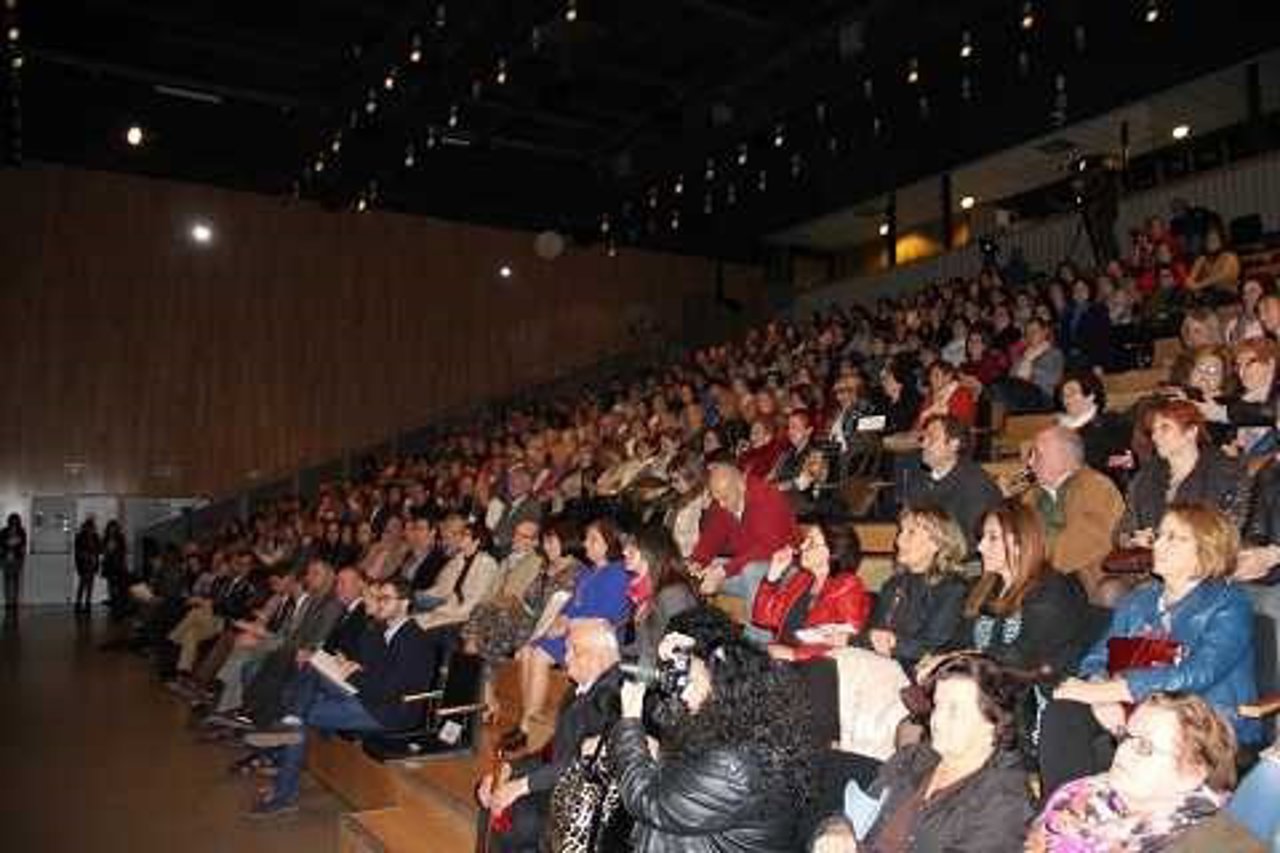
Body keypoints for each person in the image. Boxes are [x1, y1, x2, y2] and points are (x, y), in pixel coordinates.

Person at [1040, 503, 1262, 797]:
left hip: (1206, 721)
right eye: (1160, 535)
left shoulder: (1229, 602)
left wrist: (1115, 692)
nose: (1158, 544)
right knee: (1064, 710)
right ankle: (1066, 811)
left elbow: (1199, 673)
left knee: (1150, 735)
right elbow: (1098, 656)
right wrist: (1097, 693)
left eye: (1174, 537)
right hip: (1135, 710)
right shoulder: (1139, 600)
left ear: (1206, 549)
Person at [242, 575, 435, 818]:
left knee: (298, 713)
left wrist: (353, 673)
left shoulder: (414, 639)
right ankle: (282, 768)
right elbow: (367, 667)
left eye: (385, 598)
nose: (379, 602)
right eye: (377, 598)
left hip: (387, 712)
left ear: (405, 603)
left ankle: (282, 785)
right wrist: (351, 665)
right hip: (367, 698)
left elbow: (387, 690)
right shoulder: (383, 630)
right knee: (311, 673)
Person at [611, 635, 816, 852]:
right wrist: (675, 663)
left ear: (723, 692)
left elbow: (648, 802)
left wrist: (630, 722)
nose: (684, 693)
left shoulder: (733, 767)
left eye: (691, 683)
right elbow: (673, 728)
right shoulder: (746, 727)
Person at [811, 654, 1031, 851]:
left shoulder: (1005, 801)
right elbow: (854, 813)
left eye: (954, 710)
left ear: (994, 722)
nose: (937, 720)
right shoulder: (913, 758)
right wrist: (837, 830)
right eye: (937, 705)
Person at [479, 618, 624, 853]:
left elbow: (584, 764)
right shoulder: (579, 690)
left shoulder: (611, 699)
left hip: (584, 800)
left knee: (518, 814)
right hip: (560, 782)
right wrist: (510, 769)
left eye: (572, 650)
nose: (564, 658)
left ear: (596, 657)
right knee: (492, 789)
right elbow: (553, 752)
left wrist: (520, 786)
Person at [1028, 692, 1238, 851]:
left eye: (1145, 746)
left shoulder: (1208, 841)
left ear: (1192, 774)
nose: (1124, 750)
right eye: (1126, 736)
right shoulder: (1081, 795)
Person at [508, 519, 630, 745]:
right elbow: (571, 603)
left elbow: (606, 615)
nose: (586, 544)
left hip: (594, 637)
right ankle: (527, 718)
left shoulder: (618, 573)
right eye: (587, 539)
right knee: (527, 651)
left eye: (593, 540)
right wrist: (561, 618)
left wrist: (568, 623)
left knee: (539, 654)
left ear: (609, 544)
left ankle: (526, 728)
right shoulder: (590, 572)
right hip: (574, 629)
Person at [962, 502, 1091, 679]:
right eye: (982, 537)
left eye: (992, 538)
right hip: (984, 680)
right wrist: (939, 659)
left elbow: (1021, 656)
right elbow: (961, 637)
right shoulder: (986, 586)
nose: (980, 547)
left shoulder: (1052, 590)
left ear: (1019, 543)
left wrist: (959, 662)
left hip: (1036, 690)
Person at [688, 453, 797, 637]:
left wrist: (723, 571)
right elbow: (710, 540)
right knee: (695, 574)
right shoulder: (723, 502)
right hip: (746, 570)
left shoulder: (767, 496)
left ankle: (758, 640)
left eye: (725, 498)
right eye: (717, 499)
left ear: (741, 484)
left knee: (752, 571)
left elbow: (767, 549)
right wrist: (698, 562)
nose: (721, 505)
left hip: (785, 570)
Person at [1118, 399, 1245, 547]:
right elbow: (1123, 529)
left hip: (1205, 563)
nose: (1155, 436)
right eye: (1153, 429)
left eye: (1165, 428)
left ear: (1191, 432)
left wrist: (1161, 540)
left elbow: (1228, 533)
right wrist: (1132, 539)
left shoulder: (1226, 473)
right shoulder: (1145, 478)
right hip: (1154, 564)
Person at [1019, 426, 1125, 603]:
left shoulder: (1097, 487)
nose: (1030, 463)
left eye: (1036, 454)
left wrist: (1034, 560)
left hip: (1088, 580)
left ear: (1063, 456)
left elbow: (1089, 540)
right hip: (1043, 583)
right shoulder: (1029, 497)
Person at [862, 507, 970, 668]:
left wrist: (893, 643)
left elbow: (933, 647)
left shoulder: (952, 590)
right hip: (879, 666)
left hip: (918, 673)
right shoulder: (893, 584)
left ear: (937, 543)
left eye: (910, 533)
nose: (898, 540)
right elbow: (871, 633)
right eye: (901, 531)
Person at [753, 520, 870, 662]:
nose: (802, 546)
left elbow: (846, 641)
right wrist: (772, 576)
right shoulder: (802, 579)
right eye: (804, 541)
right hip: (780, 659)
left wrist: (794, 654)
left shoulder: (848, 585)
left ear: (832, 552)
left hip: (813, 668)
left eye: (811, 543)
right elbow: (763, 618)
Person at [898, 415, 1001, 551]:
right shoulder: (918, 481)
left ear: (953, 445)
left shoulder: (976, 485)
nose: (923, 444)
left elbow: (972, 543)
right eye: (923, 438)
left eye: (932, 438)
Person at [620, 525, 697, 669]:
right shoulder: (645, 594)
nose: (624, 552)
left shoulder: (674, 594)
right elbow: (643, 647)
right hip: (651, 671)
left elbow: (681, 652)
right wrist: (612, 653)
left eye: (633, 547)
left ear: (651, 551)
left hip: (668, 677)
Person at [1056, 370, 1131, 484]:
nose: (1066, 399)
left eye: (1072, 393)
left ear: (1091, 396)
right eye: (1064, 395)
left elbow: (1117, 463)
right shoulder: (1057, 429)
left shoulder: (1111, 423)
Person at [73, 518, 101, 614]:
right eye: (88, 527)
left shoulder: (95, 537)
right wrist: (86, 555)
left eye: (91, 528)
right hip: (84, 564)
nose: (90, 529)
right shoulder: (80, 537)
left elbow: (99, 550)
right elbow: (77, 552)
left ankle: (87, 605)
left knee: (89, 586)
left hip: (92, 563)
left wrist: (95, 558)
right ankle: (78, 604)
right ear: (85, 527)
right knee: (82, 585)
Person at [1, 513, 27, 610]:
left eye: (16, 521)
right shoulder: (4, 531)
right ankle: (8, 602)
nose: (14, 523)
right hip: (5, 558)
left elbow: (23, 545)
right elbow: (2, 544)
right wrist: (11, 542)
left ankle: (14, 601)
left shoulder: (21, 531)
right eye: (12, 521)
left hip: (17, 559)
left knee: (16, 580)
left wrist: (22, 557)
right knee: (7, 580)